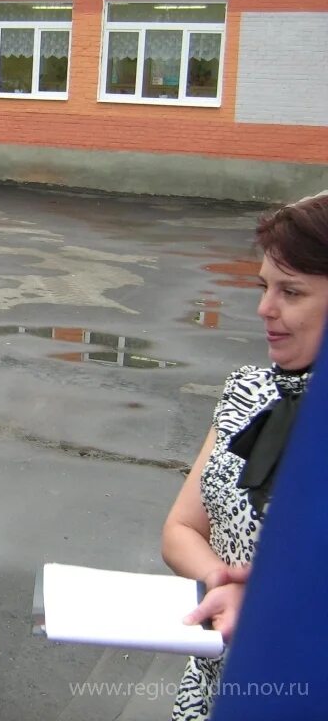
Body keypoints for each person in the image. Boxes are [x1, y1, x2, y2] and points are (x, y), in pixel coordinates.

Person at [162, 194, 328, 720]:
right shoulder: (246, 391)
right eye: (264, 287)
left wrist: (261, 609)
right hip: (210, 684)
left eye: (291, 292)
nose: (264, 308)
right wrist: (221, 584)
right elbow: (181, 528)